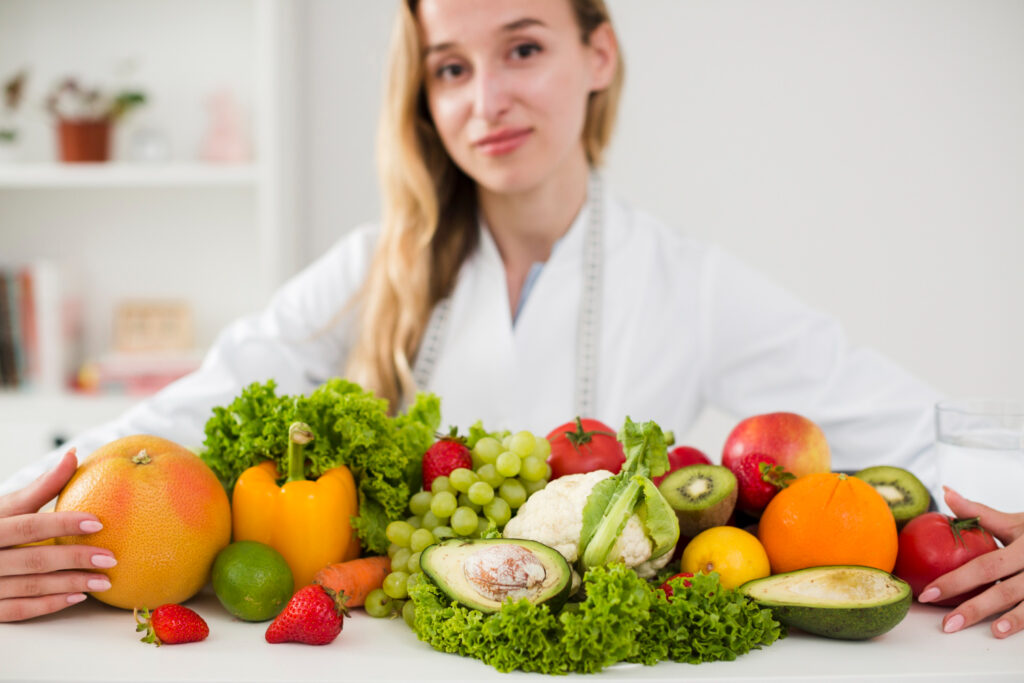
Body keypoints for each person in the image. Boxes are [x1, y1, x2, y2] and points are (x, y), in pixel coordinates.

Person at [0, 0, 1020, 637]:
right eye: (449, 67)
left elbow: (914, 424)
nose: (485, 97)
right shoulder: (373, 266)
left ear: (599, 55)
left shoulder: (689, 280)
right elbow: (197, 403)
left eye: (521, 47)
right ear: (426, 100)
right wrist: (31, 510)